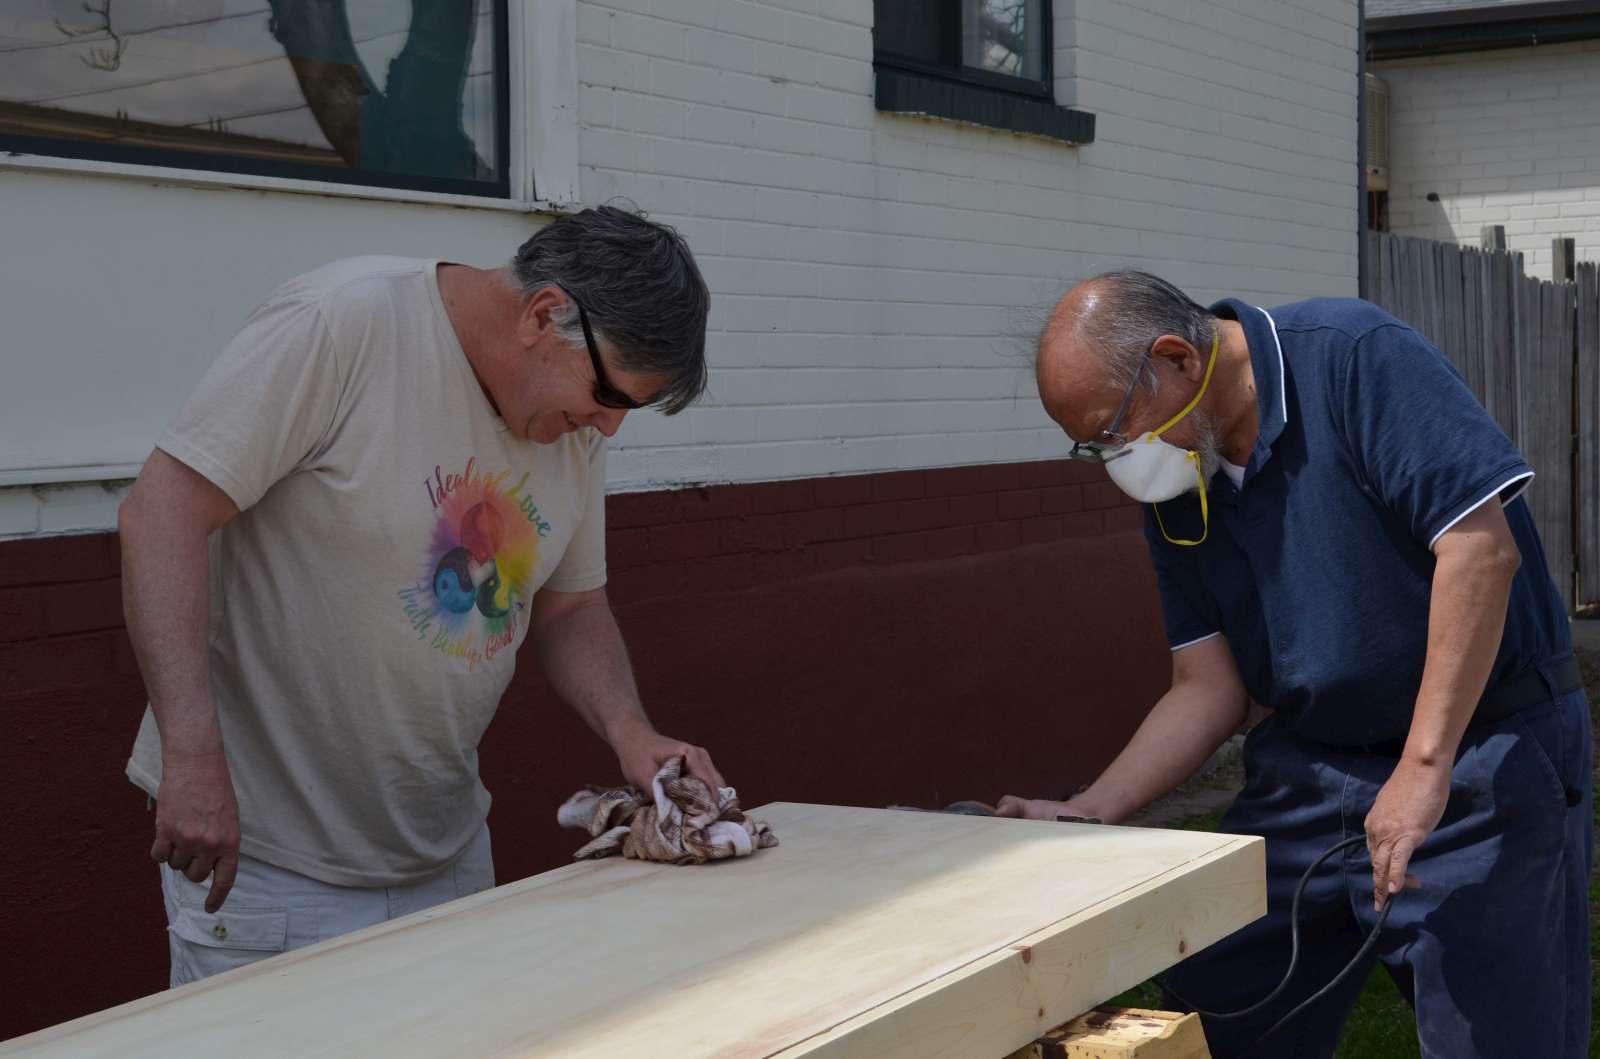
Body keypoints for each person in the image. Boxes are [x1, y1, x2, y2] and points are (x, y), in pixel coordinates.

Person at [118, 205, 726, 986]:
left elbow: (573, 606)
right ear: (545, 314)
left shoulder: (570, 420)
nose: (607, 429)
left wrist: (628, 728)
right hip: (269, 857)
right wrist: (191, 756)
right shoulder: (343, 324)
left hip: (445, 853)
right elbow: (161, 510)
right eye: (608, 395)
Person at [1002, 270, 1592, 1057]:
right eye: (1093, 446)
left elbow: (1481, 550)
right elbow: (1207, 686)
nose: (1117, 460)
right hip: (1309, 766)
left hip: (1478, 753)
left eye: (1114, 429)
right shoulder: (1181, 480)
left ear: (1177, 358)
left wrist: (1422, 767)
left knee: (1492, 1033)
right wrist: (1091, 810)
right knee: (1216, 998)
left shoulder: (1354, 356)